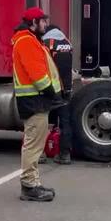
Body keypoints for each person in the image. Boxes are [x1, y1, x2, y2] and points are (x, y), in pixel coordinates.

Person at [12, 7, 63, 202]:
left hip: (36, 101)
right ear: (33, 22)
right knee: (33, 145)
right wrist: (50, 90)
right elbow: (37, 72)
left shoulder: (29, 40)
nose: (45, 24)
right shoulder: (26, 41)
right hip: (35, 101)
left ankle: (33, 183)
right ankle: (29, 186)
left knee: (35, 143)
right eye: (42, 21)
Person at [41, 25, 74, 165]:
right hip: (65, 89)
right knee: (65, 122)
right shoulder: (67, 42)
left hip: (49, 89)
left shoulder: (45, 42)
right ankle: (64, 154)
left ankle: (40, 154)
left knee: (43, 121)